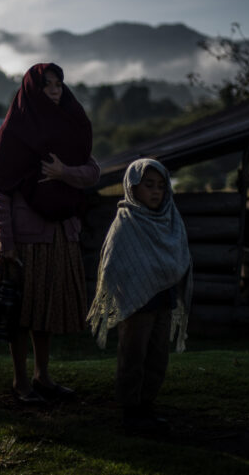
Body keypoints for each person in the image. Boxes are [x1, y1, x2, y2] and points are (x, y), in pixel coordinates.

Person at [0, 62, 100, 404]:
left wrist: (64, 172)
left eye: (59, 84)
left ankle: (43, 377)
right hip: (26, 239)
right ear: (33, 89)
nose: (54, 90)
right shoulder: (14, 132)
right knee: (22, 313)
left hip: (60, 233)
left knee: (44, 312)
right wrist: (6, 243)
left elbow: (93, 172)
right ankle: (21, 384)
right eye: (47, 85)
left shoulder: (69, 126)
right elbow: (0, 191)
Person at [87, 158, 192, 436]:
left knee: (158, 356)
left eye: (160, 186)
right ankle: (130, 410)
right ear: (132, 187)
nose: (156, 191)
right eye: (148, 185)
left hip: (164, 300)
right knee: (133, 355)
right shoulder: (126, 222)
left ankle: (147, 406)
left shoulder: (170, 219)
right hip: (136, 304)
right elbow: (112, 264)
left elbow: (179, 254)